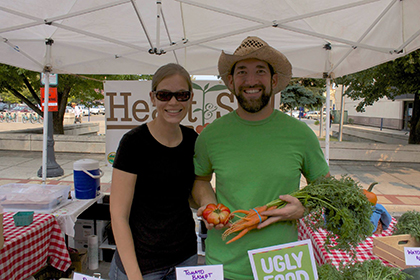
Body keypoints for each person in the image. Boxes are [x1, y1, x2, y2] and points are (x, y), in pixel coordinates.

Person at [192, 36, 330, 279]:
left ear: (274, 80)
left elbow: (326, 189)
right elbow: (201, 179)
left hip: (281, 266)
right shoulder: (211, 136)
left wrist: (304, 207)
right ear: (232, 82)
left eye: (260, 71)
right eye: (242, 72)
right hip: (224, 266)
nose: (251, 80)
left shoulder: (300, 135)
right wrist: (208, 205)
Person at [109, 63, 198, 280]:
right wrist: (134, 276)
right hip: (142, 265)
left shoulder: (193, 141)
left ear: (190, 98)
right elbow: (118, 216)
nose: (173, 102)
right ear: (152, 97)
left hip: (185, 259)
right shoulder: (134, 143)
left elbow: (190, 197)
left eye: (181, 95)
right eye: (164, 95)